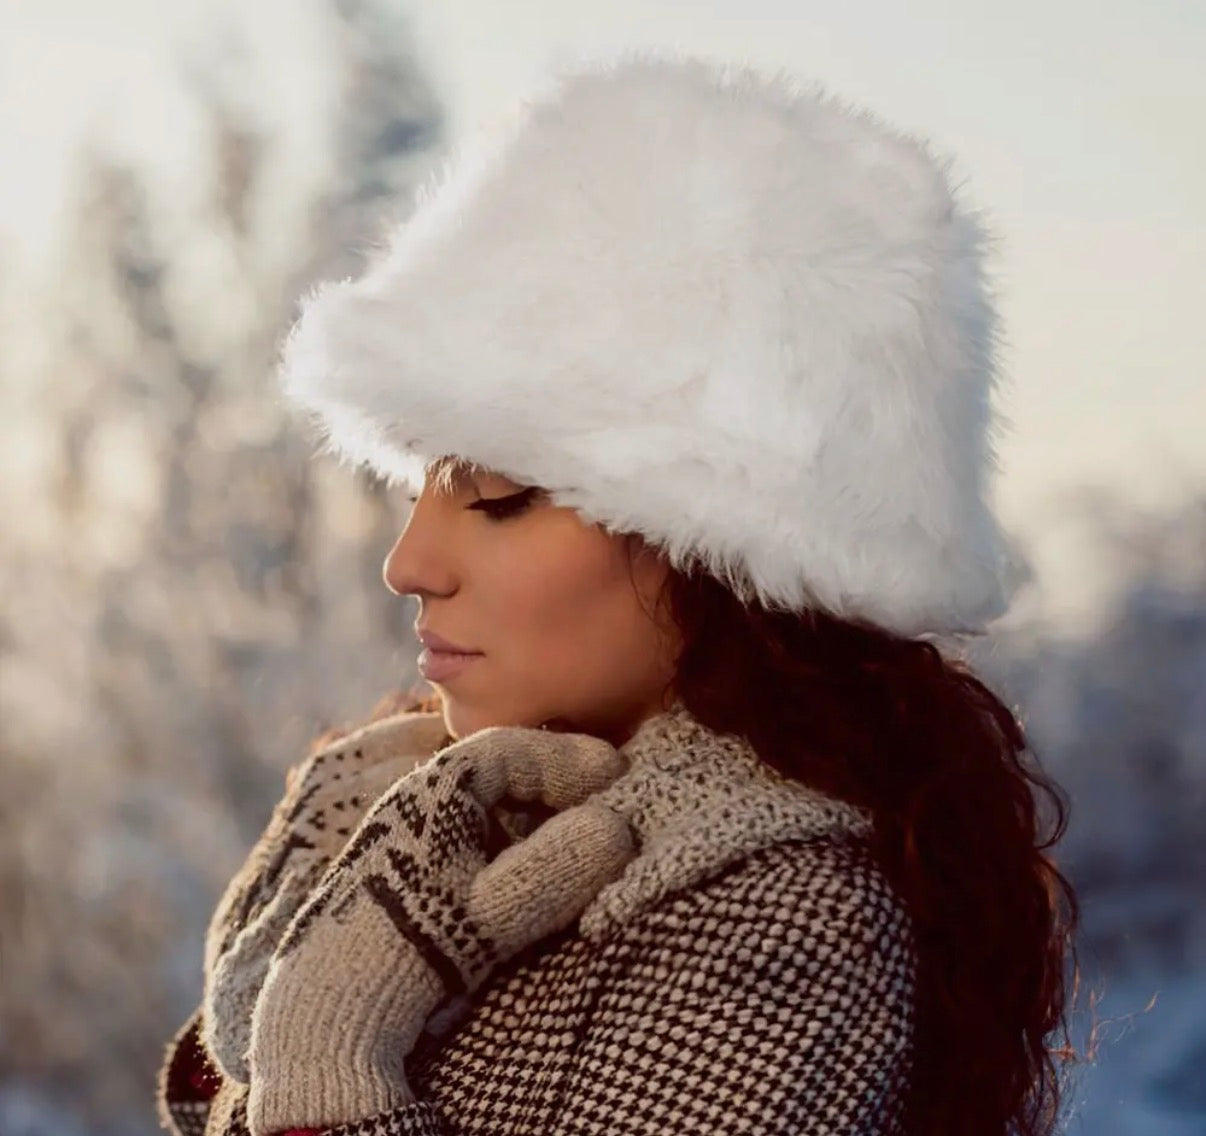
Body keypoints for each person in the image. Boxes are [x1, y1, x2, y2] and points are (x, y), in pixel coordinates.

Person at [156, 48, 1081, 1136]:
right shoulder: (427, 813)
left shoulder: (782, 923)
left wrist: (326, 1061)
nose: (408, 562)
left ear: (717, 542)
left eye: (492, 491)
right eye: (416, 488)